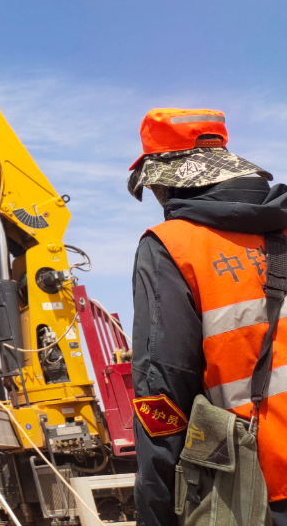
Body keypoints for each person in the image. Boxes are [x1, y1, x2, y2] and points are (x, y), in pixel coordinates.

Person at [130, 108, 287, 526]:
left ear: (167, 180)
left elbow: (161, 389)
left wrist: (156, 513)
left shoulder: (173, 246)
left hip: (261, 491)